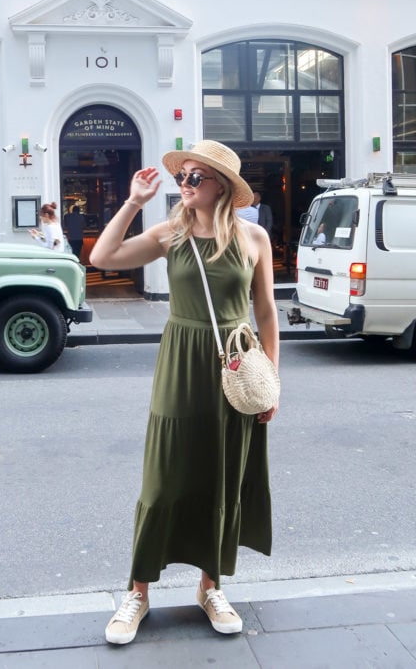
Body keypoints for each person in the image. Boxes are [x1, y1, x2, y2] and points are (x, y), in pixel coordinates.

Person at [90, 140, 279, 646]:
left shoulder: (253, 237)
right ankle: (137, 593)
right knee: (162, 481)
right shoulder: (172, 233)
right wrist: (132, 201)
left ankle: (210, 586)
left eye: (197, 177)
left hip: (238, 363)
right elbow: (103, 255)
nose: (186, 184)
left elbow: (265, 313)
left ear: (222, 186)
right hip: (181, 360)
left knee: (221, 477)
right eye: (184, 176)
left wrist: (271, 381)